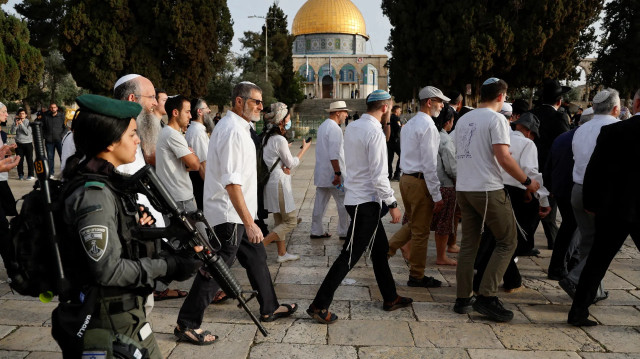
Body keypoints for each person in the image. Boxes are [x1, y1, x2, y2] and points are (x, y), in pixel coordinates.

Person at [53, 94, 200, 358]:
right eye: (132, 134)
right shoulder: (94, 195)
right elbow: (107, 270)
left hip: (127, 316)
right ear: (111, 141)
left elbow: (123, 242)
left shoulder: (109, 183)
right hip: (109, 321)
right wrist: (170, 266)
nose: (138, 140)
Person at [176, 81, 297, 344]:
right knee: (217, 268)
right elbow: (232, 182)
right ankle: (187, 323)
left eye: (261, 102)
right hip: (230, 214)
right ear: (239, 101)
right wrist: (249, 223)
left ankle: (269, 307)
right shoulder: (232, 130)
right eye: (256, 101)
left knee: (257, 257)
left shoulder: (239, 128)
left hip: (238, 213)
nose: (260, 107)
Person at [307, 90, 413, 324]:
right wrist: (393, 203)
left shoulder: (353, 127)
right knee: (349, 256)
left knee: (379, 251)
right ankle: (319, 304)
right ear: (385, 108)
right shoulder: (373, 132)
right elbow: (379, 174)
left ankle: (390, 297)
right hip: (366, 203)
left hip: (357, 198)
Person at [453, 78, 540, 322]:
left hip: (465, 188)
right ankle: (487, 297)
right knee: (507, 241)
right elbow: (503, 157)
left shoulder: (464, 119)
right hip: (487, 189)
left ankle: (463, 298)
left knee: (469, 243)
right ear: (502, 96)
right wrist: (527, 182)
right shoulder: (497, 119)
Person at [567, 88, 640, 326]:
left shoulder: (612, 131)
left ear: (636, 103)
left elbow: (594, 171)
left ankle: (578, 312)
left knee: (596, 261)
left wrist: (591, 203)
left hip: (614, 209)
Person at [113, 74, 186, 302]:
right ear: (133, 98)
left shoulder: (132, 130)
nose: (156, 103)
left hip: (142, 233)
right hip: (124, 241)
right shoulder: (112, 132)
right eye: (152, 97)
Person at [473, 112, 551, 293]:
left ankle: (505, 279)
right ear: (528, 131)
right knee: (507, 240)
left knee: (495, 237)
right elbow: (530, 172)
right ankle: (506, 280)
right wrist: (543, 199)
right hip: (515, 194)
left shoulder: (499, 139)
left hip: (491, 189)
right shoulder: (528, 143)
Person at [559, 88, 621, 303]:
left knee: (588, 241)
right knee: (606, 244)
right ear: (616, 108)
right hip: (601, 192)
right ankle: (576, 278)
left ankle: (593, 290)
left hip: (577, 189)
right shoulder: (616, 128)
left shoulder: (581, 129)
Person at [387, 86, 449, 287]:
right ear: (429, 102)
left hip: (407, 179)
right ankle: (417, 275)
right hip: (420, 180)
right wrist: (437, 195)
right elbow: (430, 164)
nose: (442, 105)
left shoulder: (410, 123)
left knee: (414, 224)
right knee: (421, 232)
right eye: (439, 101)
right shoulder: (429, 126)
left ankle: (385, 250)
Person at [262, 102, 311, 262]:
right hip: (279, 184)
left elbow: (275, 158)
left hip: (271, 182)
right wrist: (303, 149)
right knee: (290, 221)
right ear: (282, 120)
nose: (289, 121)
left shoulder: (267, 137)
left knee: (279, 220)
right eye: (288, 118)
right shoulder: (279, 140)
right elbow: (291, 163)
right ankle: (261, 246)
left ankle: (282, 253)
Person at [530, 79, 571, 251]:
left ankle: (527, 242)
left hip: (530, 166)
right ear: (559, 101)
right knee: (549, 210)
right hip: (550, 169)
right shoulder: (559, 117)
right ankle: (553, 241)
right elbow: (565, 145)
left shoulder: (531, 114)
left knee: (531, 206)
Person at [310, 101, 351, 241]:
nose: (346, 115)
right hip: (333, 174)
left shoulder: (323, 126)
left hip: (322, 172)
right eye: (345, 112)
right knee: (343, 202)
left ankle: (316, 230)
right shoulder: (335, 129)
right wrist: (338, 173)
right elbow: (334, 154)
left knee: (320, 202)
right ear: (338, 112)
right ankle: (344, 231)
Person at [155, 95, 200, 212]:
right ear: (175, 112)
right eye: (187, 112)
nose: (190, 116)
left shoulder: (167, 132)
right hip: (181, 198)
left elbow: (185, 164)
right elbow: (195, 165)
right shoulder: (172, 135)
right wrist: (191, 155)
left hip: (175, 196)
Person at [430, 104, 458, 265]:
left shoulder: (432, 135)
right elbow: (451, 167)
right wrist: (457, 178)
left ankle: (407, 246)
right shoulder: (445, 139)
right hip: (444, 185)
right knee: (444, 222)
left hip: (429, 182)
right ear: (448, 122)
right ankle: (441, 256)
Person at [186, 98, 211, 210]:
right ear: (199, 112)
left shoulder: (198, 130)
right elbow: (202, 164)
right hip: (202, 184)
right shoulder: (197, 133)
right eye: (207, 108)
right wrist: (210, 188)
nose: (210, 111)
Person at [10, 108, 35, 180]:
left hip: (28, 143)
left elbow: (28, 133)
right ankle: (20, 174)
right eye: (20, 114)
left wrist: (22, 124)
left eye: (23, 114)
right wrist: (16, 125)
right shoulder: (16, 121)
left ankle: (31, 175)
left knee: (29, 159)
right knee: (19, 160)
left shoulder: (29, 122)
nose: (21, 115)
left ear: (26, 115)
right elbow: (12, 132)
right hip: (19, 144)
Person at [42, 103, 66, 176]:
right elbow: (42, 127)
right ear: (50, 108)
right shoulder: (46, 117)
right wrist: (45, 136)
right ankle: (51, 173)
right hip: (49, 141)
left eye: (54, 107)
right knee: (50, 158)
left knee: (62, 157)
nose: (53, 109)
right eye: (51, 108)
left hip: (59, 140)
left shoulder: (62, 116)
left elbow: (66, 128)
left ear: (57, 108)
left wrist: (62, 136)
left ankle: (63, 173)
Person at [387, 105, 402, 181]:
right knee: (402, 155)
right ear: (396, 111)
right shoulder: (396, 119)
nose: (400, 112)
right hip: (396, 141)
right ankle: (397, 174)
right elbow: (398, 129)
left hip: (389, 141)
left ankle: (388, 175)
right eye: (399, 110)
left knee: (389, 159)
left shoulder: (388, 118)